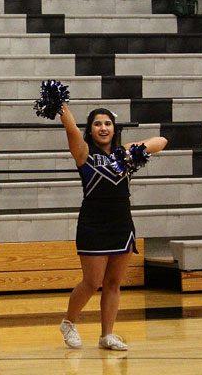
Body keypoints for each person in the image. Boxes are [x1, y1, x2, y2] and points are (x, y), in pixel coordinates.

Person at [57, 107, 168, 351]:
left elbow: (161, 141)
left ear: (114, 129)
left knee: (114, 282)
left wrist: (134, 151)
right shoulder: (84, 153)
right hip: (93, 223)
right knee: (92, 281)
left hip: (121, 223)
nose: (103, 128)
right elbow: (71, 129)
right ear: (91, 129)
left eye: (108, 123)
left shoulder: (124, 154)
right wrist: (62, 109)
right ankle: (68, 322)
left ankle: (106, 334)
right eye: (97, 124)